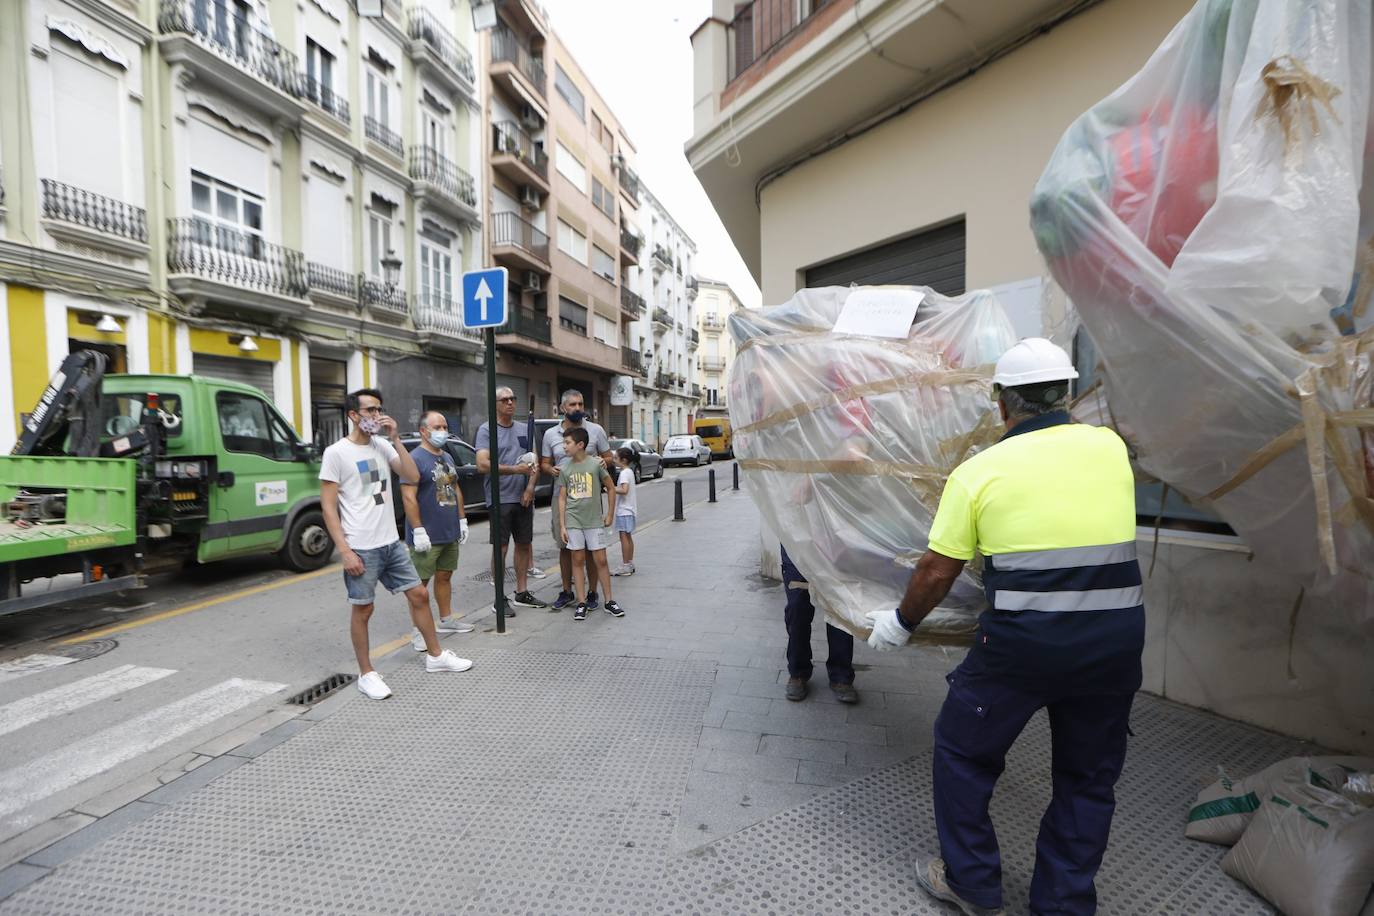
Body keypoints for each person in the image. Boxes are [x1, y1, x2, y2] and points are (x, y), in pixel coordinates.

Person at [866, 338, 1143, 916]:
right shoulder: (1111, 448)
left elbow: (936, 570)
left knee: (963, 753)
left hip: (1022, 650)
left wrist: (899, 623)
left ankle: (971, 882)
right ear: (1066, 393)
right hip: (1113, 649)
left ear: (1000, 404)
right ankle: (1064, 905)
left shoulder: (978, 473)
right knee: (1087, 780)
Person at [320, 389, 472, 701]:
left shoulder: (382, 445)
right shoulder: (336, 453)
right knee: (364, 609)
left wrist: (396, 440)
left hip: (390, 542)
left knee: (418, 594)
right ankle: (367, 674)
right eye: (370, 410)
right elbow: (327, 506)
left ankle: (435, 656)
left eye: (379, 409)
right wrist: (345, 551)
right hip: (361, 545)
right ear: (353, 415)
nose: (376, 415)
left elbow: (411, 473)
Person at [402, 411, 475, 651]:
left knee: (445, 576)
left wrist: (462, 519)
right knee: (419, 586)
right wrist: (418, 530)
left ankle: (446, 620)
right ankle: (418, 631)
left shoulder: (446, 456)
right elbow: (409, 498)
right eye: (438, 427)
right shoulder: (414, 458)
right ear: (424, 431)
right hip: (426, 535)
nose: (443, 431)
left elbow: (455, 488)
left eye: (444, 426)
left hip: (448, 530)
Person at [539, 389, 613, 611]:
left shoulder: (596, 430)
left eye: (580, 404)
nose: (578, 408)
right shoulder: (551, 435)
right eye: (572, 405)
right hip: (561, 498)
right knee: (565, 547)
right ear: (563, 408)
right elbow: (544, 462)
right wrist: (551, 470)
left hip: (590, 499)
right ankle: (566, 591)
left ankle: (592, 593)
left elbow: (609, 458)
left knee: (592, 549)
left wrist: (603, 461)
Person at [475, 387, 545, 615]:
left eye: (512, 399)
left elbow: (533, 462)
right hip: (500, 498)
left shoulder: (525, 428)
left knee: (524, 544)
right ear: (495, 404)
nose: (509, 403)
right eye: (504, 400)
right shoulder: (486, 430)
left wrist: (531, 487)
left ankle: (522, 592)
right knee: (502, 547)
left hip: (523, 497)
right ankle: (499, 597)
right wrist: (515, 469)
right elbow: (482, 464)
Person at [556, 427, 623, 621]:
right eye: (564, 443)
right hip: (573, 521)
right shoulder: (565, 468)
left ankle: (609, 601)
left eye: (567, 443)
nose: (564, 446)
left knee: (600, 560)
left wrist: (609, 514)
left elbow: (610, 488)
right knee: (577, 559)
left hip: (594, 520)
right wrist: (562, 525)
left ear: (580, 445)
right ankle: (582, 602)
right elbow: (562, 498)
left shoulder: (595, 465)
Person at [781, 546, 857, 704]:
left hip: (835, 542)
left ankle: (841, 675)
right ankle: (798, 672)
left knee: (839, 608)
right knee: (797, 609)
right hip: (796, 543)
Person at [610, 447, 637, 576]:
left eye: (616, 458)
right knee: (628, 537)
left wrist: (611, 488)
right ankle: (629, 563)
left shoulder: (624, 473)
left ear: (624, 460)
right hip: (630, 510)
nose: (614, 460)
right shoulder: (630, 471)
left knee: (623, 538)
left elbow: (624, 490)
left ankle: (625, 565)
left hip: (624, 510)